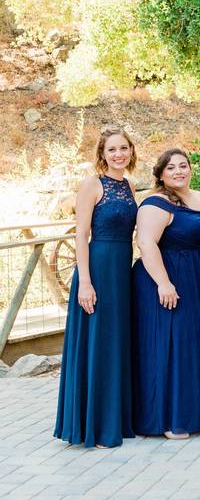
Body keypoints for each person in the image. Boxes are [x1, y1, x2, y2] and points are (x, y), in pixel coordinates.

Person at [55, 126, 137, 448]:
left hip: (122, 270)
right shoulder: (92, 184)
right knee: (98, 342)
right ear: (102, 154)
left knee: (116, 342)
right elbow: (80, 234)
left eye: (124, 148)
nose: (119, 154)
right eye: (113, 149)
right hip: (98, 269)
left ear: (131, 151)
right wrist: (85, 282)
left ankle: (114, 419)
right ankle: (95, 426)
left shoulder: (129, 185)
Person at [132, 149, 200, 439]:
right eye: (171, 168)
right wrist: (164, 283)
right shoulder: (156, 203)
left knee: (191, 345)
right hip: (169, 282)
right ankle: (166, 419)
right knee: (169, 347)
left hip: (198, 282)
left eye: (183, 166)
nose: (179, 171)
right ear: (161, 174)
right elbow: (146, 243)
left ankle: (190, 414)